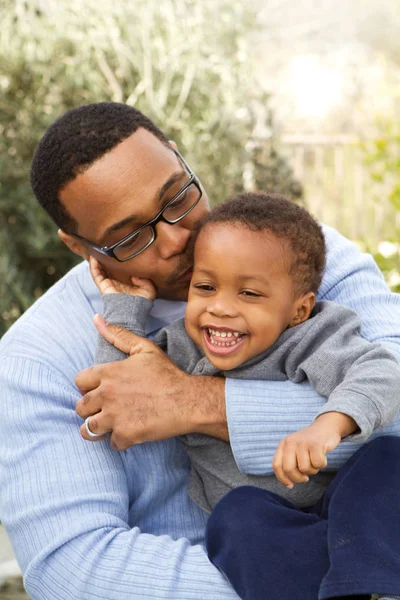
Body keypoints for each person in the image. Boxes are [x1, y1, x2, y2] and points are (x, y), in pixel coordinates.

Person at [0, 102, 399, 600]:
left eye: (177, 197)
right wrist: (306, 575)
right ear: (80, 247)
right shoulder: (36, 361)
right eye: (129, 236)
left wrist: (194, 403)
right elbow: (74, 570)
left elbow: (393, 389)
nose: (177, 237)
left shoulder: (303, 256)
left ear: (180, 157)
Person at [89, 192, 400, 600]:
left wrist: (328, 425)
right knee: (234, 517)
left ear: (298, 310)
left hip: (348, 515)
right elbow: (112, 389)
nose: (219, 308)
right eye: (205, 287)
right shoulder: (181, 350)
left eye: (249, 294)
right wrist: (125, 308)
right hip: (268, 532)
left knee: (387, 458)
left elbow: (382, 372)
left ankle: (379, 588)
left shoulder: (309, 338)